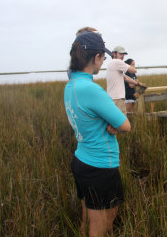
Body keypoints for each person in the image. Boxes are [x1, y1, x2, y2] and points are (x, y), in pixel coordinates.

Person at [64, 31, 131, 236]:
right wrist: (116, 123)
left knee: (88, 220)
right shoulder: (92, 90)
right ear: (96, 57)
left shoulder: (71, 85)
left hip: (82, 160)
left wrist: (110, 123)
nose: (103, 63)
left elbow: (90, 118)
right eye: (103, 57)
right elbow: (125, 125)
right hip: (100, 166)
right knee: (101, 227)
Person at [106, 46, 137, 115]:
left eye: (123, 54)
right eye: (120, 54)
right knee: (121, 123)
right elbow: (133, 70)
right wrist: (133, 66)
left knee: (114, 121)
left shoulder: (112, 64)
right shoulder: (117, 62)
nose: (122, 56)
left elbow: (125, 77)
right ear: (114, 54)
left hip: (113, 98)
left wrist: (137, 83)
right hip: (117, 98)